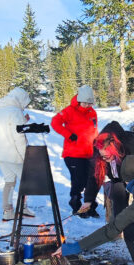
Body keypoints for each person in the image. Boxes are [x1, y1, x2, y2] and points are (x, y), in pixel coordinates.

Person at [83, 121, 134, 221]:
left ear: (114, 150)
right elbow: (94, 177)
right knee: (117, 193)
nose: (104, 159)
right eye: (102, 156)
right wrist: (88, 200)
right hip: (119, 173)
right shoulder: (99, 149)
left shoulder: (131, 146)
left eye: (106, 156)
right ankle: (120, 225)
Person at [50, 85, 98, 216]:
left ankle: (90, 206)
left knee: (91, 180)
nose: (87, 105)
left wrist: (97, 144)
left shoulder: (92, 112)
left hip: (89, 153)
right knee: (79, 181)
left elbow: (94, 130)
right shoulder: (69, 111)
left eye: (89, 103)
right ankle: (77, 206)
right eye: (84, 103)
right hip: (73, 154)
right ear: (79, 100)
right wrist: (69, 135)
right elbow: (55, 122)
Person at [0, 87, 32, 221]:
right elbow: (19, 137)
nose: (25, 106)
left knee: (9, 181)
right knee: (27, 182)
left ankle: (7, 211)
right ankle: (22, 207)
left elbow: (3, 129)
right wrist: (26, 156)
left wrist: (23, 121)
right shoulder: (15, 112)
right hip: (13, 154)